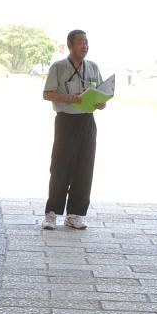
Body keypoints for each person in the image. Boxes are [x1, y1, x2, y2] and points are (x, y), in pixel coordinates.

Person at [41, 29, 107, 230]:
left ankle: (75, 214)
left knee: (85, 168)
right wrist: (71, 98)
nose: (84, 46)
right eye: (80, 42)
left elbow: (102, 94)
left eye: (86, 42)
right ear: (70, 45)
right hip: (66, 121)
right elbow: (47, 94)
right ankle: (51, 214)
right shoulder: (58, 67)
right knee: (60, 167)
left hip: (87, 121)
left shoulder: (93, 67)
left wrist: (101, 103)